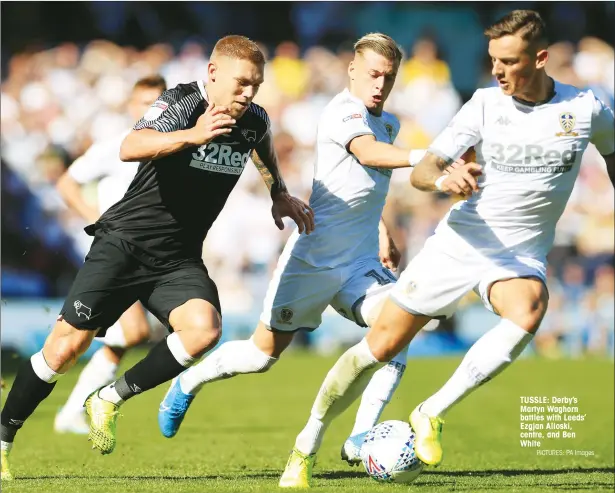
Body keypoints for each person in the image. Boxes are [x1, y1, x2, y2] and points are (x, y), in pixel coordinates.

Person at [278, 9, 615, 488]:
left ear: (540, 59)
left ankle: (430, 412)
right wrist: (442, 176)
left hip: (518, 254)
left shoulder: (586, 109)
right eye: (493, 60)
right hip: (459, 244)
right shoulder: (482, 104)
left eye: (510, 61)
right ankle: (305, 445)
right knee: (381, 347)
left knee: (529, 307)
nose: (497, 71)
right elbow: (422, 169)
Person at [0, 35, 314, 481]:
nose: (248, 93)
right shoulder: (183, 103)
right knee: (64, 349)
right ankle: (2, 439)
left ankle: (108, 398)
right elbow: (132, 146)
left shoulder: (255, 120)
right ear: (212, 73)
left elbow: (262, 148)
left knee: (204, 330)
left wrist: (279, 192)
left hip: (178, 258)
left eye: (256, 85)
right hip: (125, 245)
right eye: (241, 83)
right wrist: (192, 136)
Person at [157, 33, 432, 476]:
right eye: (374, 74)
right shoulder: (343, 112)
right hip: (314, 260)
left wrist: (381, 230)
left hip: (360, 262)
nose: (381, 84)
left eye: (390, 77)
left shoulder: (391, 123)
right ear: (353, 71)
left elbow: (359, 185)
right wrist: (429, 156)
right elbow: (367, 153)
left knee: (400, 326)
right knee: (262, 356)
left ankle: (361, 436)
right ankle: (189, 380)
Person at [53, 75, 167, 435]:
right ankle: (72, 407)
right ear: (131, 106)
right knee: (116, 333)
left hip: (149, 251)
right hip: (115, 250)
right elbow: (67, 182)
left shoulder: (170, 146)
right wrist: (95, 220)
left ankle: (73, 409)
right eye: (142, 101)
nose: (148, 108)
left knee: (128, 335)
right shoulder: (114, 146)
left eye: (156, 101)